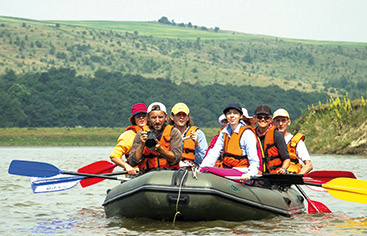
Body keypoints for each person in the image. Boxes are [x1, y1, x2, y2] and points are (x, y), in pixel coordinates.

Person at [200, 103, 259, 182]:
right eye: (229, 113)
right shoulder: (224, 133)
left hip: (242, 173)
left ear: (240, 116)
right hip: (228, 171)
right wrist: (201, 168)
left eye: (235, 113)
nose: (232, 116)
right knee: (205, 169)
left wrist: (250, 174)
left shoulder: (247, 133)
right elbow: (214, 153)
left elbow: (254, 160)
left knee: (207, 169)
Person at [129, 102, 182, 173]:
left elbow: (176, 159)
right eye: (153, 117)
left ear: (166, 117)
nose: (157, 121)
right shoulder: (141, 134)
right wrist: (142, 145)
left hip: (168, 173)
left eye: (160, 117)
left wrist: (161, 150)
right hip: (147, 174)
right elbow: (133, 162)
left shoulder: (174, 132)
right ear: (148, 118)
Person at [109, 103, 148, 175]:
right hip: (135, 174)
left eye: (144, 115)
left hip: (150, 172)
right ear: (134, 119)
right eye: (138, 116)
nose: (141, 118)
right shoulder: (128, 135)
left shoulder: (154, 132)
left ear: (148, 117)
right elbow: (114, 156)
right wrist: (127, 166)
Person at [272, 108, 313, 174]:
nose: (280, 124)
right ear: (273, 123)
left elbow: (309, 165)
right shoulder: (268, 140)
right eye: (277, 121)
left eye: (283, 121)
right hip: (273, 176)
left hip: (290, 177)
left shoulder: (297, 142)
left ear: (288, 122)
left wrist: (298, 177)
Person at [168, 102, 208, 167]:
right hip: (173, 169)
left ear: (188, 118)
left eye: (184, 115)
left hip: (192, 169)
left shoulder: (198, 134)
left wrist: (197, 144)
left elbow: (204, 160)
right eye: (178, 115)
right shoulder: (167, 134)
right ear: (172, 117)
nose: (181, 117)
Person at [254, 104, 290, 174]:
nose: (263, 119)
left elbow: (287, 159)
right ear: (254, 119)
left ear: (270, 120)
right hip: (257, 175)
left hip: (274, 176)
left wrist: (283, 169)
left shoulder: (277, 135)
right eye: (259, 117)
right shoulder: (250, 134)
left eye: (266, 117)